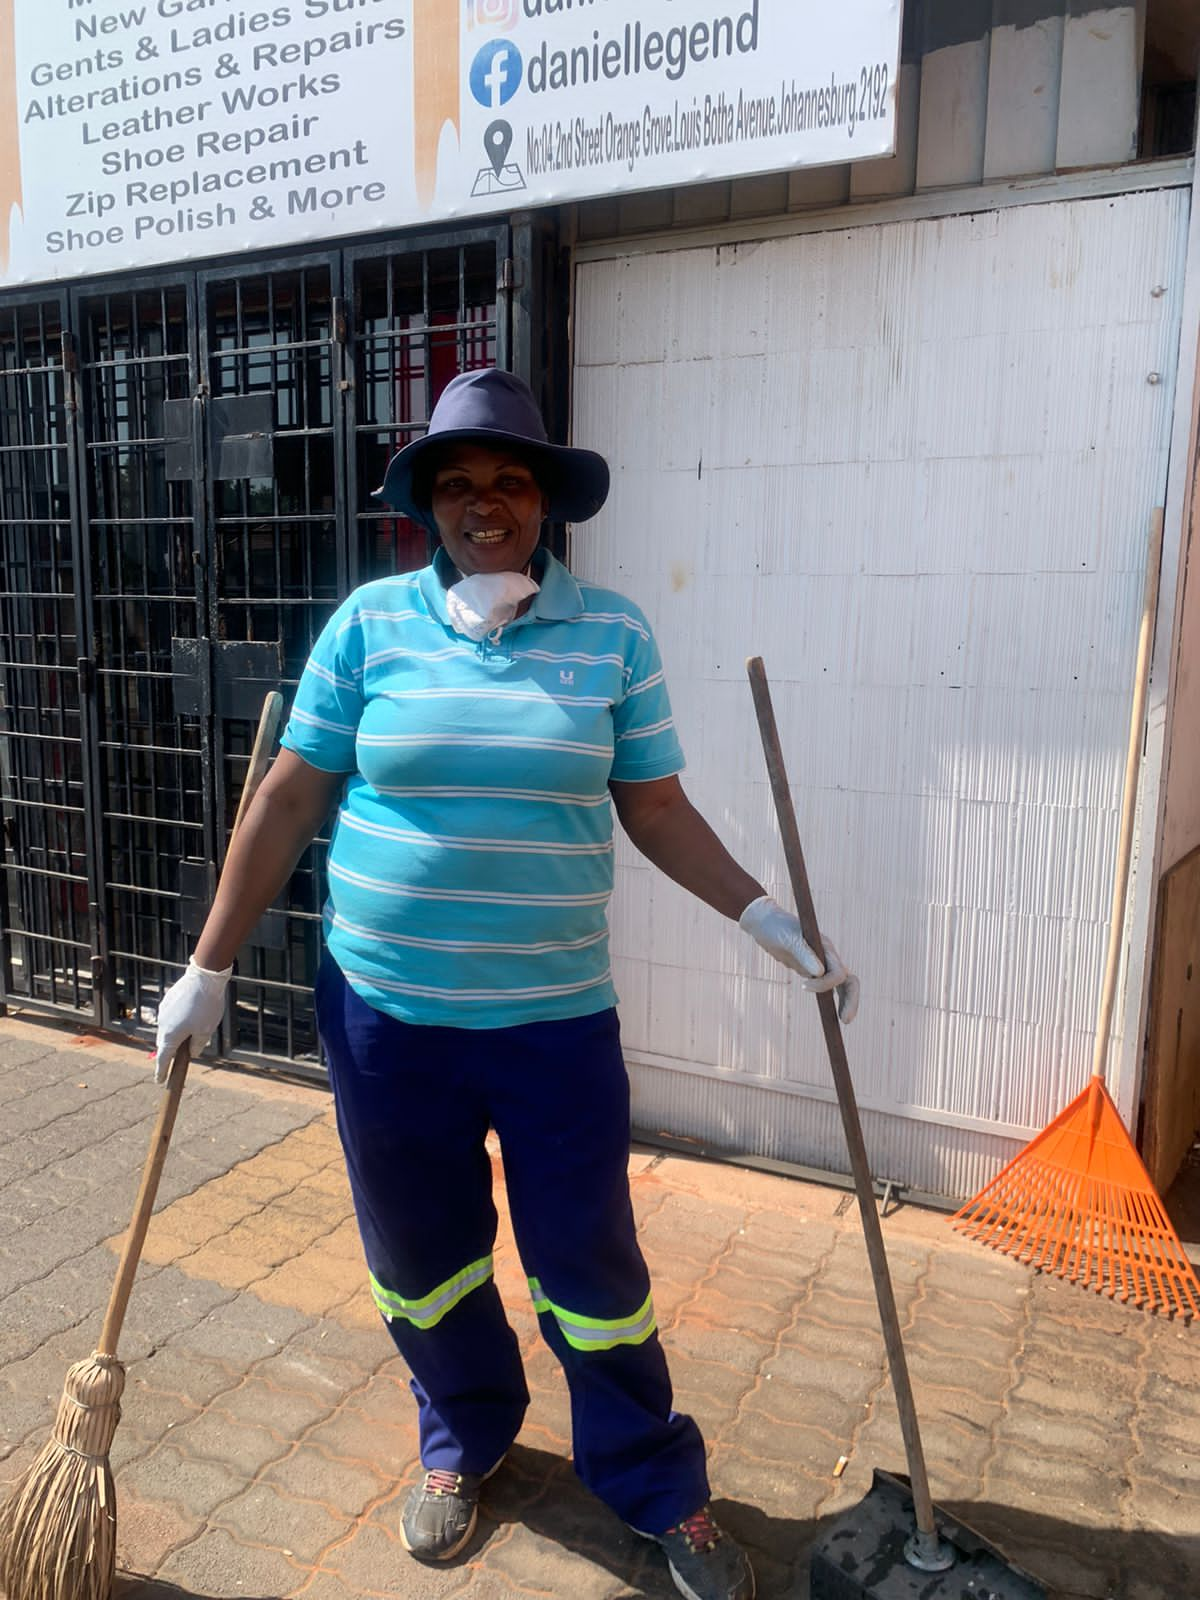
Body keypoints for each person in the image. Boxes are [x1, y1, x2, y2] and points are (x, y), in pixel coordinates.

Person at [155, 369, 858, 1600]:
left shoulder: (614, 634)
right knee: (421, 1255)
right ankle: (461, 1434)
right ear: (430, 503)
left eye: (511, 481)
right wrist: (207, 963)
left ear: (546, 502)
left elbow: (654, 807)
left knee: (591, 1268)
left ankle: (655, 1483)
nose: (486, 503)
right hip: (386, 1017)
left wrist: (759, 912)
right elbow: (289, 798)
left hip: (553, 1024)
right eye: (461, 483)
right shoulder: (369, 626)